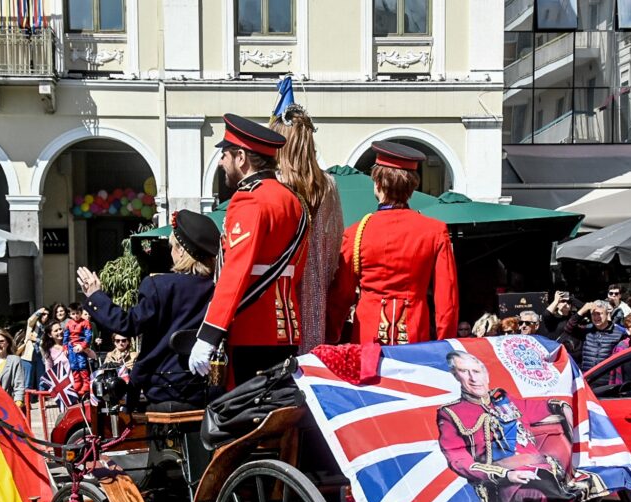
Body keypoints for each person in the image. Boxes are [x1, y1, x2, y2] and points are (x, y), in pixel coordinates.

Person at [189, 113, 309, 385]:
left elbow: (235, 270)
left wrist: (209, 334)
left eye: (226, 155)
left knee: (247, 420)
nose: (221, 162)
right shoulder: (293, 200)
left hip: (252, 327)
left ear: (241, 158)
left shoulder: (249, 200)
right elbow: (297, 268)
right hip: (286, 327)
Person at [81, 209, 220, 405]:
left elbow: (128, 325)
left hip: (162, 388)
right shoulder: (218, 290)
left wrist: (95, 295)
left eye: (171, 247)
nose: (170, 252)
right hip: (204, 388)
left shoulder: (159, 285)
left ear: (181, 251)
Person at [326, 141, 458, 347]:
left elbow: (342, 294)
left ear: (377, 184)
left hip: (367, 337)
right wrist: (446, 344)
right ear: (412, 188)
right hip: (415, 334)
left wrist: (332, 332)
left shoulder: (356, 232)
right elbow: (446, 299)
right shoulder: (435, 231)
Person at [436, 351, 568, 502]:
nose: (473, 378)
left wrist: (562, 406)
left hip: (540, 470)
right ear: (455, 376)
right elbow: (458, 459)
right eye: (464, 371)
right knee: (543, 494)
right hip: (504, 484)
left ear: (486, 375)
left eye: (476, 372)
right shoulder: (451, 413)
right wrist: (505, 474)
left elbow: (536, 407)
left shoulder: (503, 399)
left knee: (572, 485)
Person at [269, 104, 345, 353]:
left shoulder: (272, 181)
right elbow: (334, 240)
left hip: (276, 274)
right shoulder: (327, 185)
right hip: (313, 274)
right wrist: (323, 271)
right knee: (308, 356)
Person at [566, 300, 626, 369]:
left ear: (607, 314)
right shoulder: (587, 330)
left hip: (607, 377)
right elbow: (568, 328)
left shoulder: (619, 333)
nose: (596, 317)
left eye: (599, 313)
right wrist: (583, 310)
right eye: (593, 314)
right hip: (587, 376)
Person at [542, 290, 583, 362]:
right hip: (558, 356)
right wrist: (556, 301)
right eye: (563, 301)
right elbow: (546, 314)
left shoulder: (575, 317)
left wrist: (570, 298)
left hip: (575, 357)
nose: (566, 304)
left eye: (568, 303)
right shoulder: (553, 318)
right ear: (557, 304)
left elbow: (585, 308)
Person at [63, 302, 93, 395]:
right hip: (71, 347)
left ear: (81, 312)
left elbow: (88, 336)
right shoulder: (68, 323)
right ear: (69, 314)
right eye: (73, 313)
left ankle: (86, 383)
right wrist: (65, 347)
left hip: (80, 347)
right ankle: (77, 382)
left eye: (77, 313)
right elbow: (66, 336)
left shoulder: (85, 323)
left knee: (82, 365)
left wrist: (83, 346)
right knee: (73, 365)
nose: (75, 315)